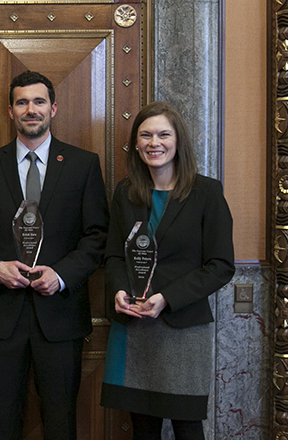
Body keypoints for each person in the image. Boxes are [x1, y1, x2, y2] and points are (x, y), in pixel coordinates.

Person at [0, 70, 109, 439]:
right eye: (22, 102)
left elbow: (97, 236)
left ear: (53, 108)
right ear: (10, 112)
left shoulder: (83, 164)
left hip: (59, 318)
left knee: (61, 422)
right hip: (2, 317)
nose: (31, 109)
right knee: (1, 421)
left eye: (39, 101)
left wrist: (60, 276)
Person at [99, 101, 235, 440]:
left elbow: (221, 265)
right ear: (136, 143)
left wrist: (167, 298)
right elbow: (113, 257)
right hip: (135, 327)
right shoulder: (125, 193)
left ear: (178, 142)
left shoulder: (206, 192)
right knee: (143, 429)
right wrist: (118, 290)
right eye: (145, 135)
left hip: (182, 328)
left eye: (163, 134)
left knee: (187, 427)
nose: (153, 143)